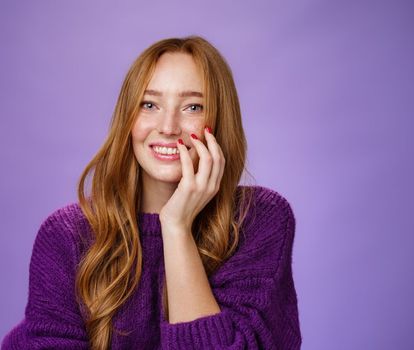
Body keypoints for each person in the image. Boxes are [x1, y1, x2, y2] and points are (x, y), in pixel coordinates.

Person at [1, 35, 301, 349]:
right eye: (149, 104)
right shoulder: (67, 235)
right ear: (128, 119)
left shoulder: (259, 221)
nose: (169, 127)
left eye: (192, 107)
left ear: (219, 121)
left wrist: (176, 226)